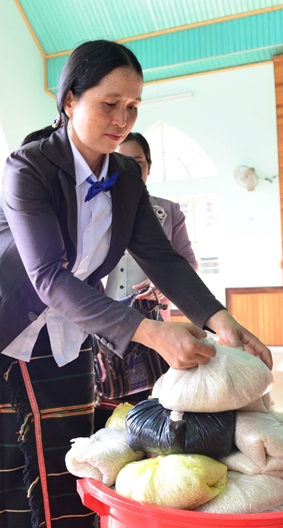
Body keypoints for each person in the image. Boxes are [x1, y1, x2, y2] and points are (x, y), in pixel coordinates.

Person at [0, 40, 271, 528]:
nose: (122, 119)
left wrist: (221, 319)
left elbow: (161, 257)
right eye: (109, 103)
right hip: (1, 334)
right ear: (70, 99)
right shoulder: (29, 167)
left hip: (69, 333)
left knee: (73, 462)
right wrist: (151, 334)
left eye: (134, 107)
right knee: (4, 476)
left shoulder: (125, 177)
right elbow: (48, 276)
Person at [95, 131, 199, 427]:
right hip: (104, 319)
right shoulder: (97, 209)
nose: (129, 167)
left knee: (154, 397)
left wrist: (160, 287)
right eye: (122, 160)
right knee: (107, 400)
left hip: (154, 319)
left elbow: (186, 262)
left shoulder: (168, 211)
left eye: (137, 161)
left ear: (149, 166)